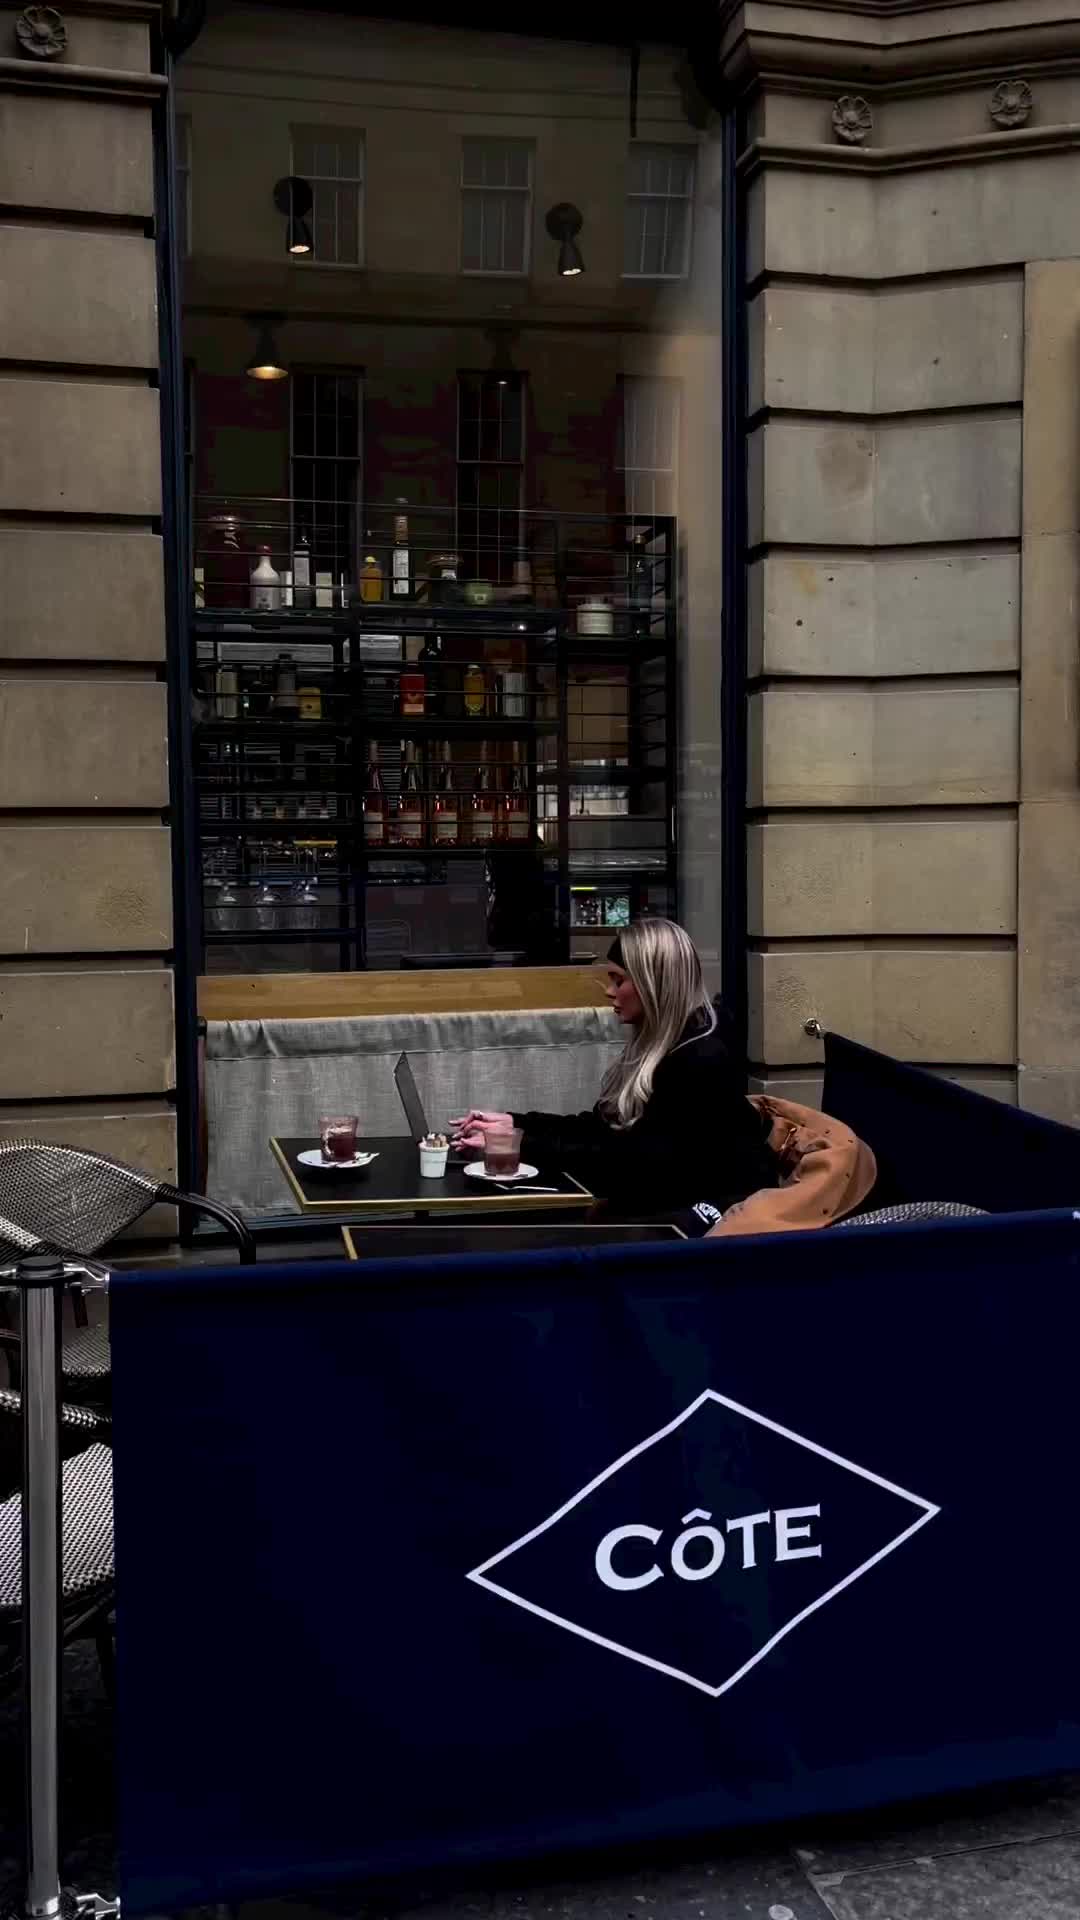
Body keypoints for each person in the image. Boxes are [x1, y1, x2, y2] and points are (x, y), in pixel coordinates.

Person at [452, 916, 779, 1213]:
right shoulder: (665, 1047)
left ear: (653, 983)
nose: (609, 992)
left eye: (618, 980)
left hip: (698, 1235)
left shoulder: (699, 1062)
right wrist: (515, 1124)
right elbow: (603, 1130)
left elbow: (627, 1164)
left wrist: (521, 1142)